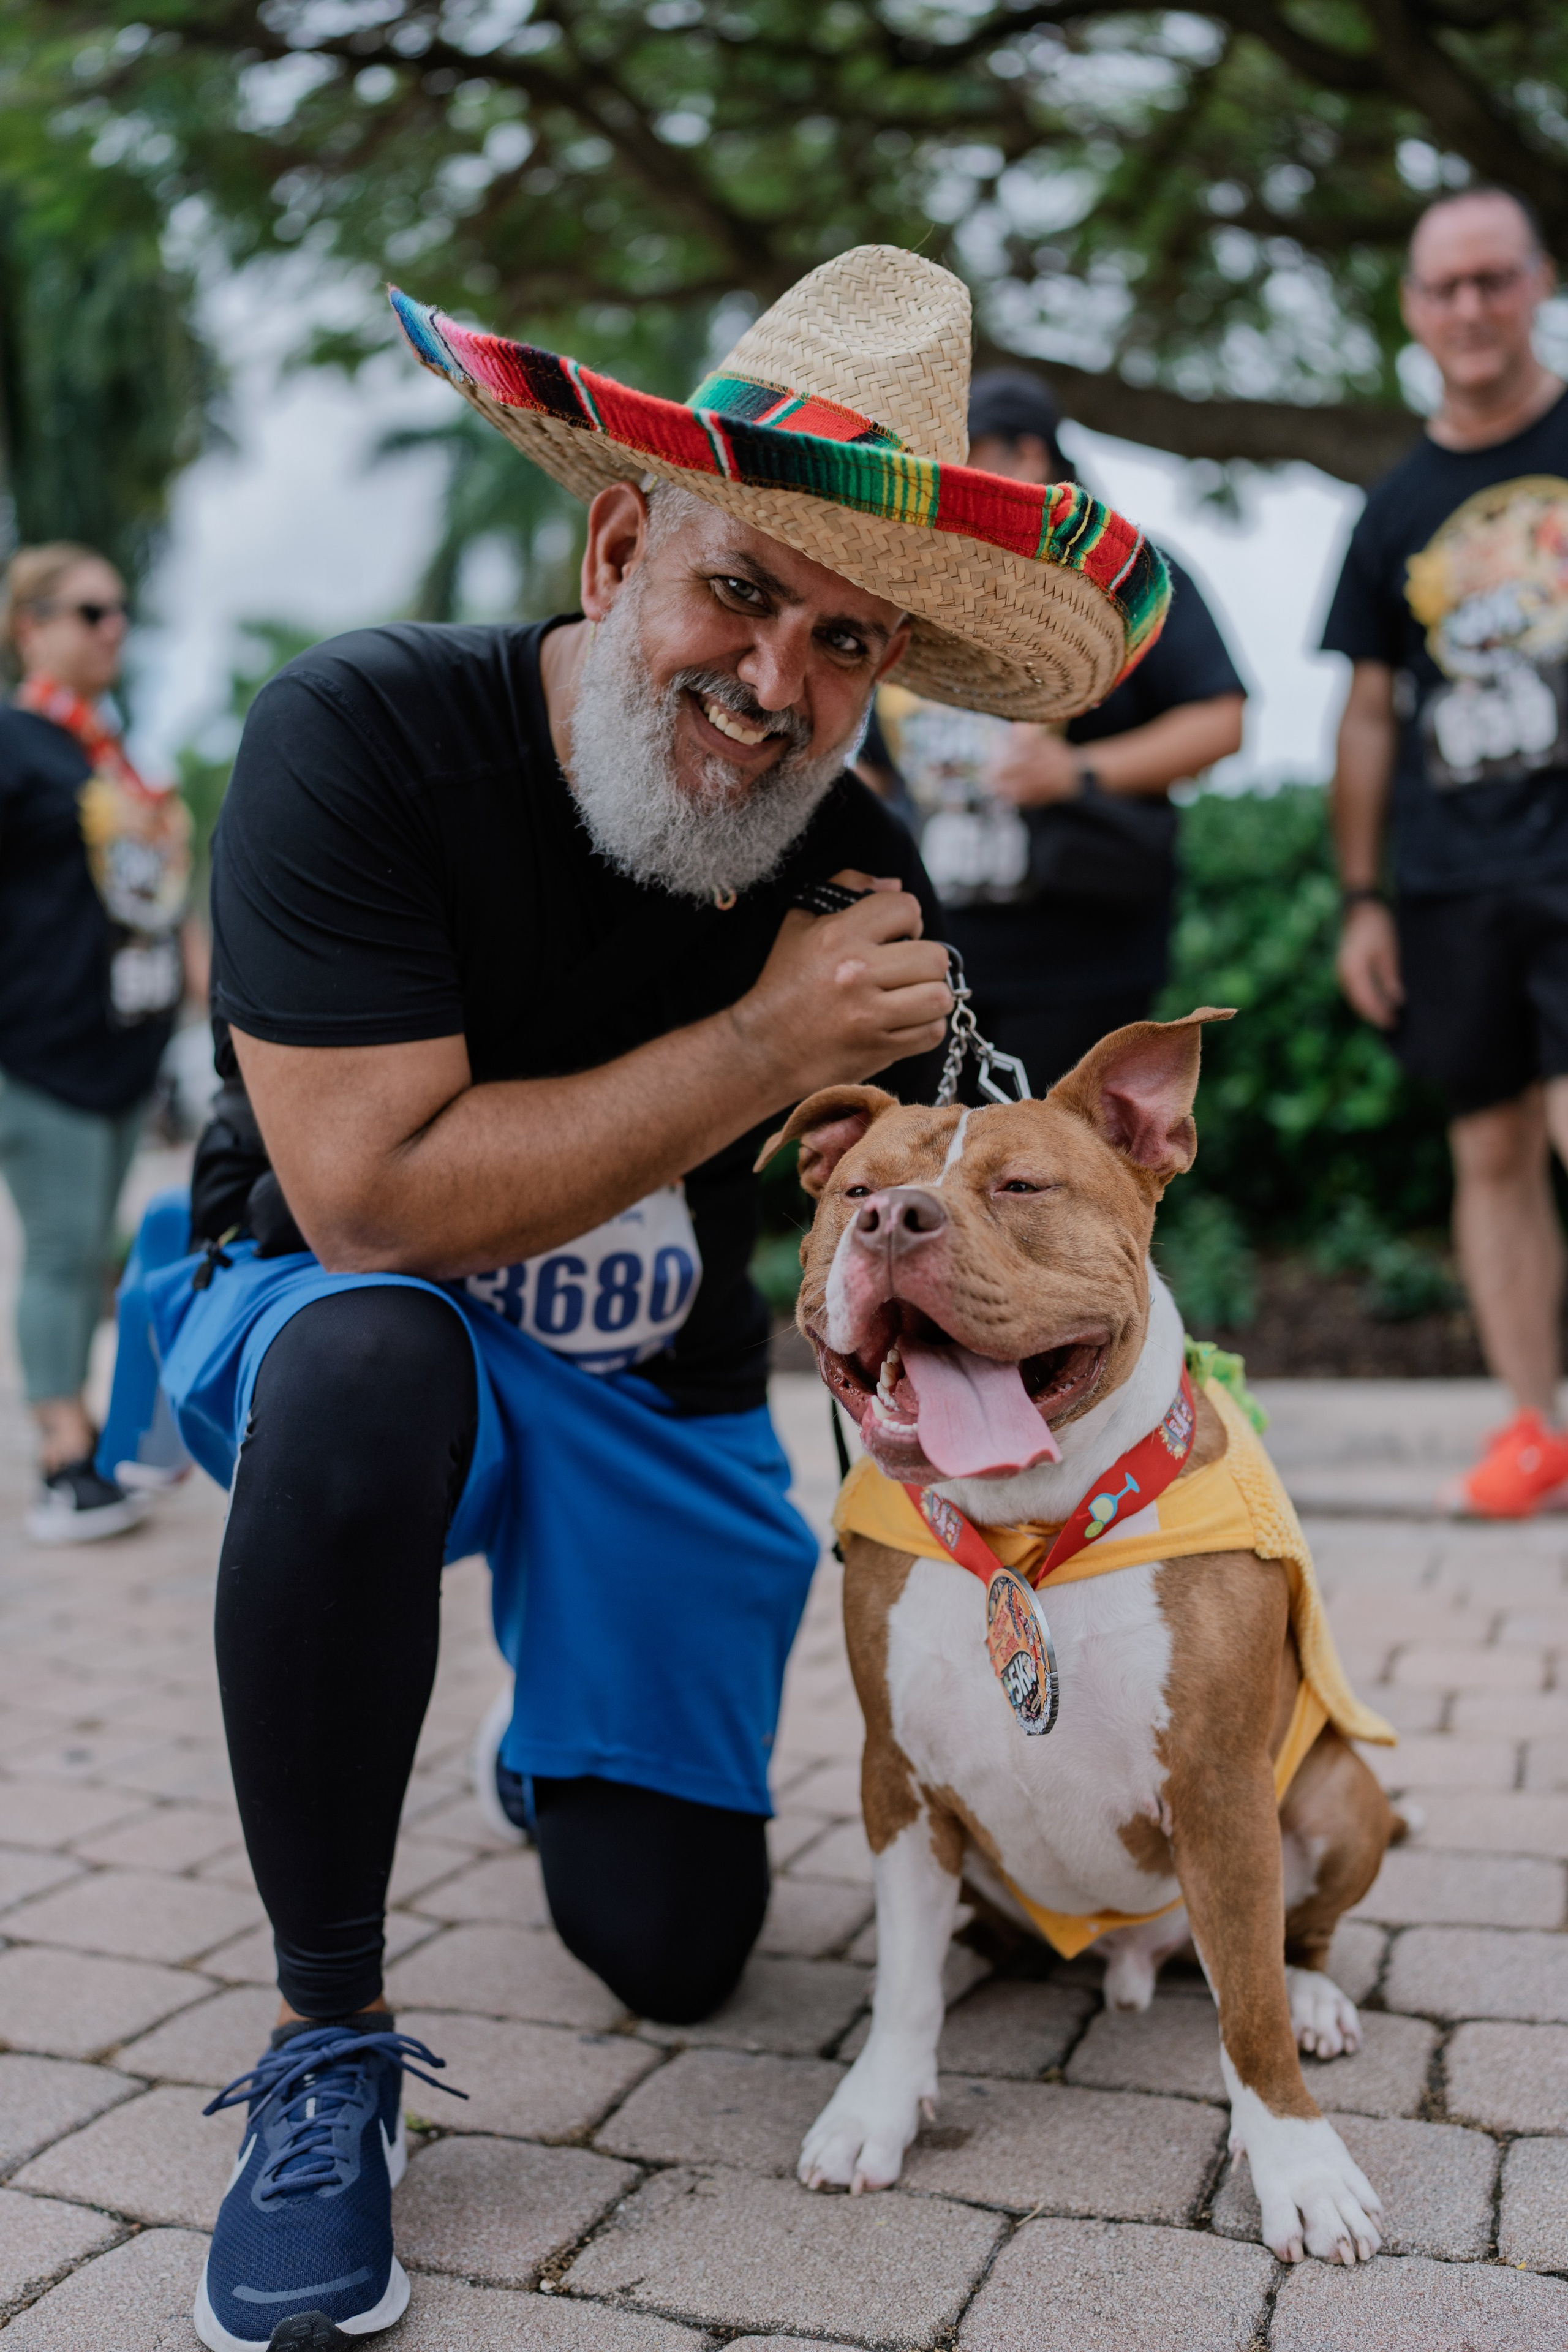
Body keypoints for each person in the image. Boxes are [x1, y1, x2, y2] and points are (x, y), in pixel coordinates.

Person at [105, 246, 1168, 2348]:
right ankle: (328, 2050)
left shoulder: (855, 867)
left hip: (646, 1387)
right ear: (619, 543)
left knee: (679, 1950)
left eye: (844, 640)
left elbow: (921, 1214)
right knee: (373, 1365)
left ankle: (551, 1718)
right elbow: (368, 1197)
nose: (779, 678)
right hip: (322, 1313)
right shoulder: (361, 735)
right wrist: (768, 1048)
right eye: (742, 595)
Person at [1324, 186, 1568, 1519]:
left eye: (1492, 279)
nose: (1468, 308)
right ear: (1413, 310)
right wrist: (1361, 898)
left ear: (1536, 284)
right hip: (1451, 876)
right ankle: (1531, 1430)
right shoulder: (1392, 506)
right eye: (1443, 288)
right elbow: (1364, 712)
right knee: (1486, 1150)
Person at [863, 370, 1245, 1088]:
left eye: (958, 454)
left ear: (1025, 457)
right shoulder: (919, 590)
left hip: (1082, 957)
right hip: (930, 965)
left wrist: (1078, 773)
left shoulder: (1130, 576)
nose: (936, 481)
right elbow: (875, 769)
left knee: (1052, 1188)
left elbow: (1220, 721)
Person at [0, 543, 192, 1542]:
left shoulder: (108, 753)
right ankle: (62, 1461)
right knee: (66, 1248)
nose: (112, 626)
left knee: (93, 1250)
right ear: (31, 626)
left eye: (119, 610)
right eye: (89, 611)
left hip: (120, 1048)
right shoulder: (12, 740)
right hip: (36, 1051)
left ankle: (97, 1438)